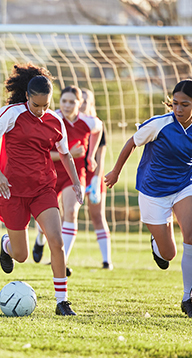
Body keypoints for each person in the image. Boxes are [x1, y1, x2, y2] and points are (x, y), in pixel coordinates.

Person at [104, 79, 192, 318]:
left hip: (184, 188)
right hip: (152, 192)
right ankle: (157, 242)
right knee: (169, 254)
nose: (178, 109)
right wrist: (115, 171)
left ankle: (188, 299)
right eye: (175, 103)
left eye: (185, 104)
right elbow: (131, 143)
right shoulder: (159, 124)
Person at [0, 64, 84, 316]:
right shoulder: (11, 114)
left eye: (46, 105)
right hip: (11, 191)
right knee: (22, 255)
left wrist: (77, 183)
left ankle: (62, 302)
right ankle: (6, 246)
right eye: (36, 105)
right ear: (27, 97)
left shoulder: (55, 121)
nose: (41, 110)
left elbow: (65, 155)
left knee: (56, 242)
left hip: (42, 189)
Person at [31, 86, 103, 277]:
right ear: (59, 102)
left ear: (80, 104)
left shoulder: (87, 122)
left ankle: (63, 260)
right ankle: (40, 238)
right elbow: (41, 152)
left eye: (72, 102)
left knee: (70, 212)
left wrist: (91, 155)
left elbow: (99, 128)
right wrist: (69, 153)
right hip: (49, 173)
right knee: (46, 218)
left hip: (74, 173)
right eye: (64, 101)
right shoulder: (50, 119)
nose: (68, 105)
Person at [81, 89, 113, 270]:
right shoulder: (70, 124)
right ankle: (61, 256)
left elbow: (100, 158)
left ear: (91, 103)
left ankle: (107, 260)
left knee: (97, 216)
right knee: (65, 215)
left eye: (87, 101)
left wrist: (95, 181)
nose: (83, 104)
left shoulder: (98, 125)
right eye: (81, 100)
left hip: (93, 177)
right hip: (75, 176)